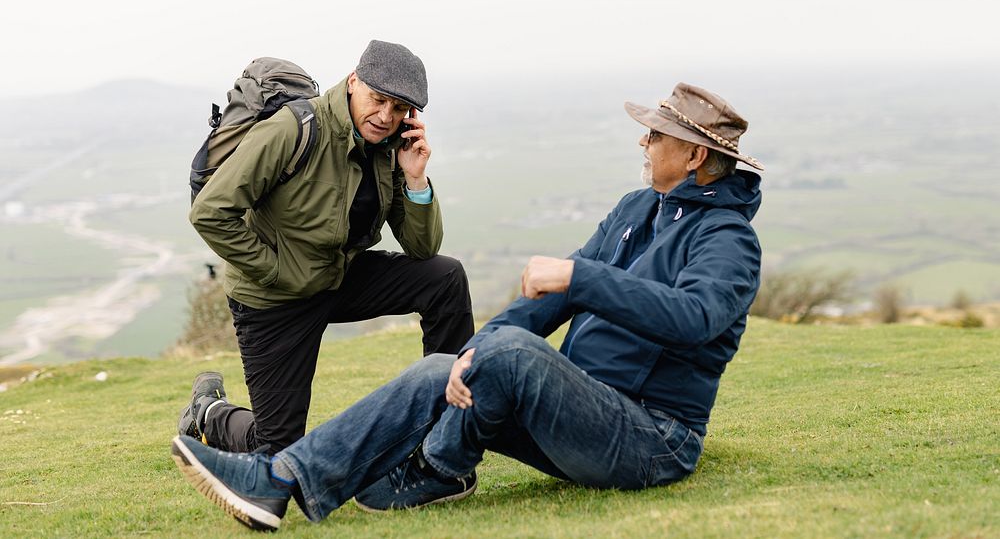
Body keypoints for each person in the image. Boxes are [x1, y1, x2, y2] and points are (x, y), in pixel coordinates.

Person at [170, 82, 764, 532]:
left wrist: (581, 278)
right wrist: (471, 356)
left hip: (651, 439)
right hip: (583, 414)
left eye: (657, 135)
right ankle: (277, 482)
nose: (644, 140)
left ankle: (437, 467)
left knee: (508, 351)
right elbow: (545, 303)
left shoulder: (728, 239)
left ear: (692, 157)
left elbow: (696, 319)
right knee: (444, 364)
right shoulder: (638, 210)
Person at [179, 40, 474, 455]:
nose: (385, 116)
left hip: (338, 277)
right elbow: (210, 212)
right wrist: (280, 272)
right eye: (378, 99)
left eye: (400, 108)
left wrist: (415, 179)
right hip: (274, 296)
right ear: (354, 82)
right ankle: (208, 413)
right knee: (277, 450)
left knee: (444, 278)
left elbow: (422, 247)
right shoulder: (292, 129)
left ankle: (447, 429)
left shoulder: (390, 149)